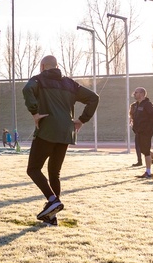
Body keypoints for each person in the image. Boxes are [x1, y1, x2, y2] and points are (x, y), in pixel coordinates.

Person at [22, 55, 100, 226]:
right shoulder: (70, 83)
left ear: (42, 66)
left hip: (47, 130)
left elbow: (27, 90)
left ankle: (52, 200)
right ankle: (52, 216)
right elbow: (94, 98)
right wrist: (81, 119)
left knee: (33, 169)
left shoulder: (38, 79)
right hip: (66, 132)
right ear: (57, 66)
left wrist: (34, 112)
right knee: (54, 173)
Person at [128, 98, 143, 167]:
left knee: (142, 146)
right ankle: (140, 160)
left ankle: (143, 160)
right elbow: (131, 116)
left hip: (143, 128)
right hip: (136, 128)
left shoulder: (144, 105)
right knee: (138, 146)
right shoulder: (133, 105)